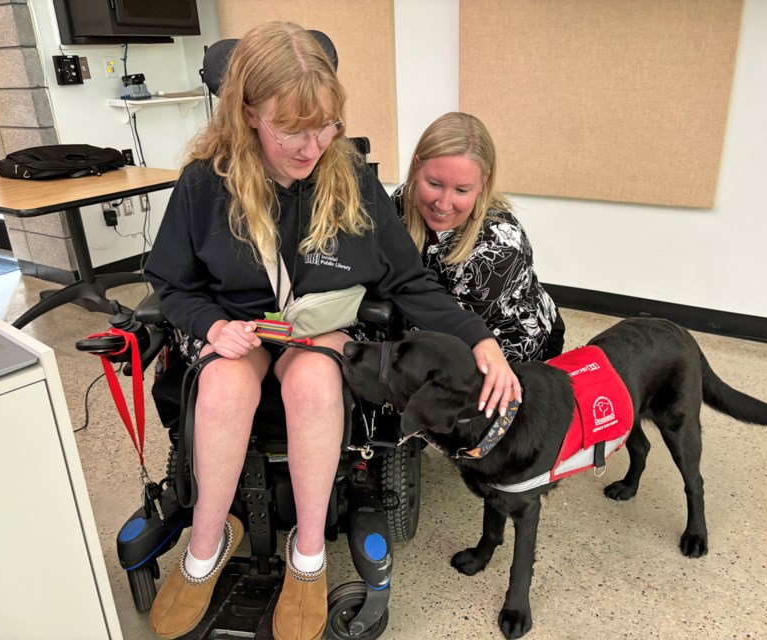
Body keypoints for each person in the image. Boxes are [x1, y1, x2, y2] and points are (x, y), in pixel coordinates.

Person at [142, 22, 520, 640]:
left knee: (317, 380)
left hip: (314, 334)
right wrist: (211, 325)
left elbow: (407, 281)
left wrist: (479, 338)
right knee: (224, 389)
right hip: (237, 328)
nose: (311, 145)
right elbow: (173, 285)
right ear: (247, 113)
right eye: (291, 129)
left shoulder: (352, 179)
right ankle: (205, 547)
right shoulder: (204, 183)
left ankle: (310, 555)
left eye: (325, 126)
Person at [387, 111, 565, 363]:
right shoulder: (403, 198)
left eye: (461, 189)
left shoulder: (500, 245)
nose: (443, 203)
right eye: (434, 184)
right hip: (426, 311)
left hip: (503, 336)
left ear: (484, 181)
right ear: (417, 166)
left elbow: (447, 331)